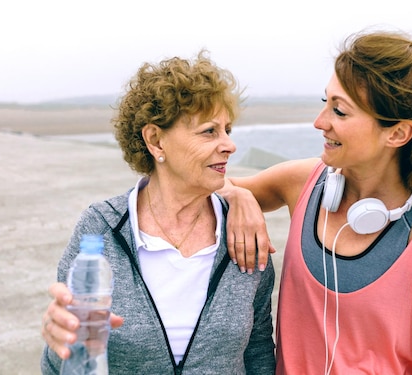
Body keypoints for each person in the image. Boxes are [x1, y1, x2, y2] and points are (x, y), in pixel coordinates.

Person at [220, 29, 412, 374]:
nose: (320, 122)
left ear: (397, 133)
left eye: (340, 111)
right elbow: (198, 188)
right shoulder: (301, 183)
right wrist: (238, 195)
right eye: (326, 102)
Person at [40, 50, 276, 374]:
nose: (229, 144)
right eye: (209, 131)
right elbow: (68, 357)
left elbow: (259, 349)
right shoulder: (100, 229)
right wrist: (60, 341)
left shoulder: (244, 232)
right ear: (155, 140)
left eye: (228, 130)